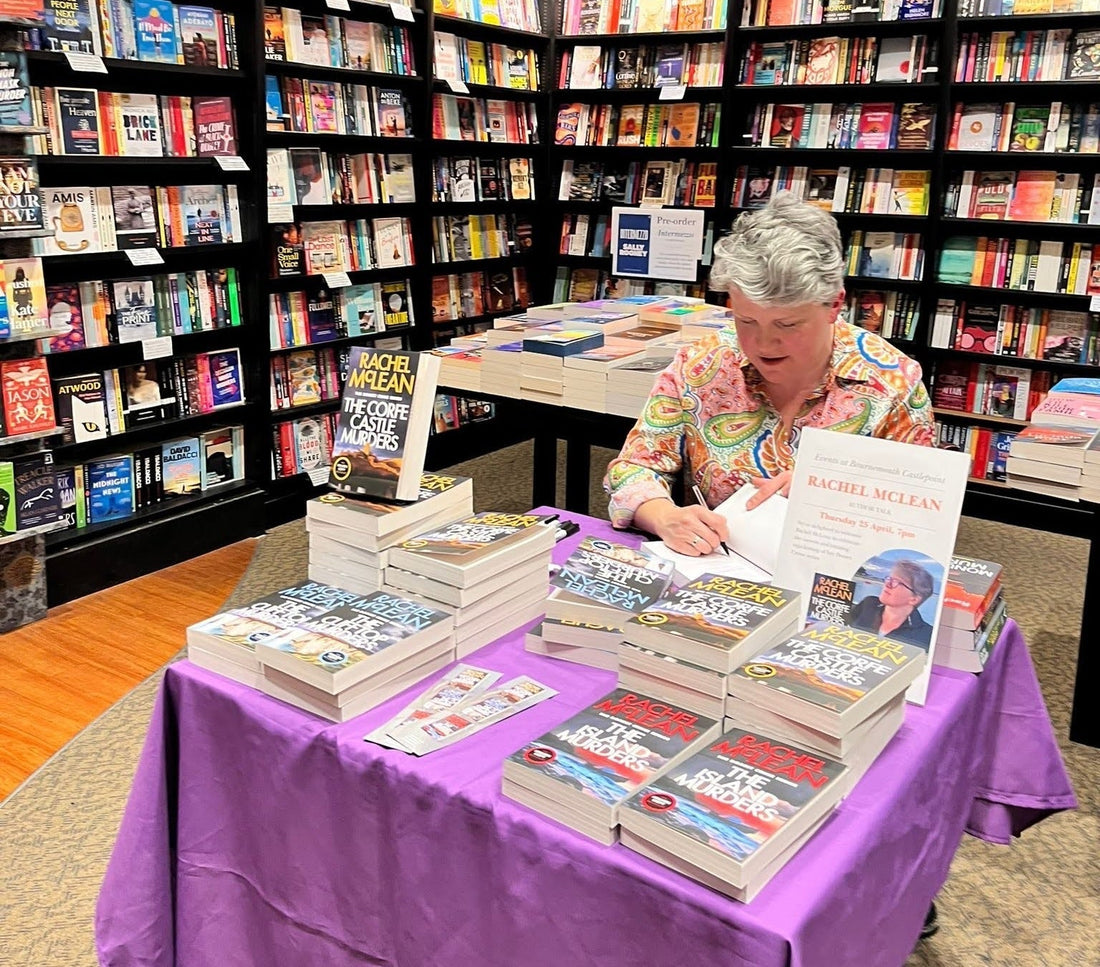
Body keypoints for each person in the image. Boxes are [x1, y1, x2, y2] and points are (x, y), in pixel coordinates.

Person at [604, 192, 934, 558]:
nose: (763, 343)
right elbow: (633, 468)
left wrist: (839, 497)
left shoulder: (892, 383)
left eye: (788, 323)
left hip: (836, 578)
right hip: (715, 571)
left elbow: (922, 516)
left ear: (834, 305)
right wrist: (664, 516)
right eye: (746, 320)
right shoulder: (701, 365)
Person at [848, 560, 935, 649]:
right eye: (889, 578)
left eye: (896, 582)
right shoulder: (868, 604)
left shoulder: (927, 636)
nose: (887, 584)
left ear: (914, 599)